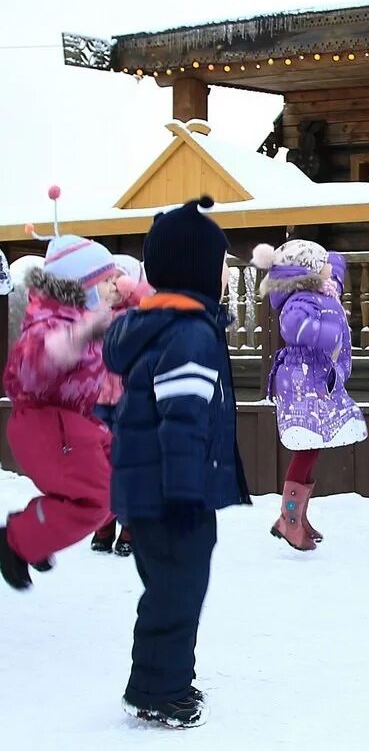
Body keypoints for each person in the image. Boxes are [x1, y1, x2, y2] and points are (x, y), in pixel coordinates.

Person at [103, 196, 250, 728]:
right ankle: (159, 691)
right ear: (200, 270)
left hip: (150, 486)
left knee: (169, 586)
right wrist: (187, 494)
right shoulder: (190, 333)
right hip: (170, 491)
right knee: (177, 589)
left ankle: (159, 682)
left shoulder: (158, 324)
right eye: (220, 266)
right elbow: (181, 419)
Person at [0, 215, 119, 590]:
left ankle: (40, 534)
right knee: (97, 497)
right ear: (82, 285)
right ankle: (16, 540)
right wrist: (65, 345)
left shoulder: (80, 317)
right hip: (46, 424)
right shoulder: (50, 325)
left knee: (122, 475)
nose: (115, 286)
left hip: (74, 422)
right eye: (107, 280)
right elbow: (30, 365)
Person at [252, 239, 366, 551]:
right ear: (311, 272)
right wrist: (329, 333)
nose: (331, 270)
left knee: (312, 448)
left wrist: (329, 259)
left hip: (315, 379)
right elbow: (293, 327)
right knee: (306, 447)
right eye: (323, 265)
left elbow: (334, 264)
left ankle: (297, 517)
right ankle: (288, 521)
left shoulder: (322, 291)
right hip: (302, 381)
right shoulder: (300, 299)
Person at [90, 254, 153, 557]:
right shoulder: (94, 314)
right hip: (98, 401)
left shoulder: (139, 312)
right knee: (101, 466)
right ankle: (104, 523)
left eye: (119, 278)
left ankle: (130, 525)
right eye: (107, 278)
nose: (113, 284)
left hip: (131, 401)